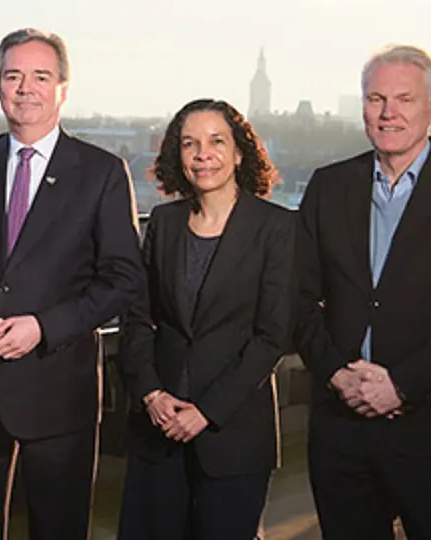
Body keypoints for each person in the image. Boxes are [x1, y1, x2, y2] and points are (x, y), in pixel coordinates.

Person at [0, 28, 143, 539]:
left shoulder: (102, 172)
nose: (25, 88)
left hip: (58, 389)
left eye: (40, 76)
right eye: (13, 75)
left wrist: (44, 326)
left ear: (63, 87)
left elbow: (124, 277)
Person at [296, 44, 431, 540]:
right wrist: (337, 375)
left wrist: (402, 385)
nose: (388, 112)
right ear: (363, 108)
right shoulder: (329, 187)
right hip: (342, 430)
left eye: (404, 99)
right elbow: (296, 298)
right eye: (376, 99)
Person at [115, 99, 294, 539]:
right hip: (159, 428)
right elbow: (137, 318)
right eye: (190, 144)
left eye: (217, 141)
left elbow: (272, 336)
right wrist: (152, 393)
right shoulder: (163, 222)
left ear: (238, 152)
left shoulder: (277, 228)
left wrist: (206, 412)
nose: (203, 154)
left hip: (233, 434)